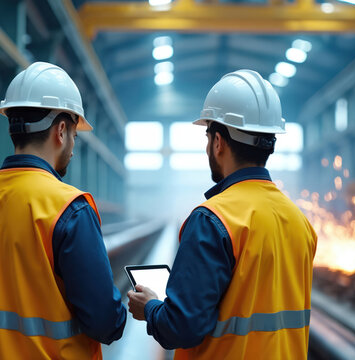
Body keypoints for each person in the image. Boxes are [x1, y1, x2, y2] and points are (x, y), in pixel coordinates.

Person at [127, 69, 317, 359]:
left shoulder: (212, 221)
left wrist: (150, 307)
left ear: (218, 141)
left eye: (207, 137)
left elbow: (180, 328)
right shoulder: (299, 220)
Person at [0, 62, 126, 359]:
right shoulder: (69, 209)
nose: (73, 148)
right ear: (62, 130)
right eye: (75, 138)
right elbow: (106, 323)